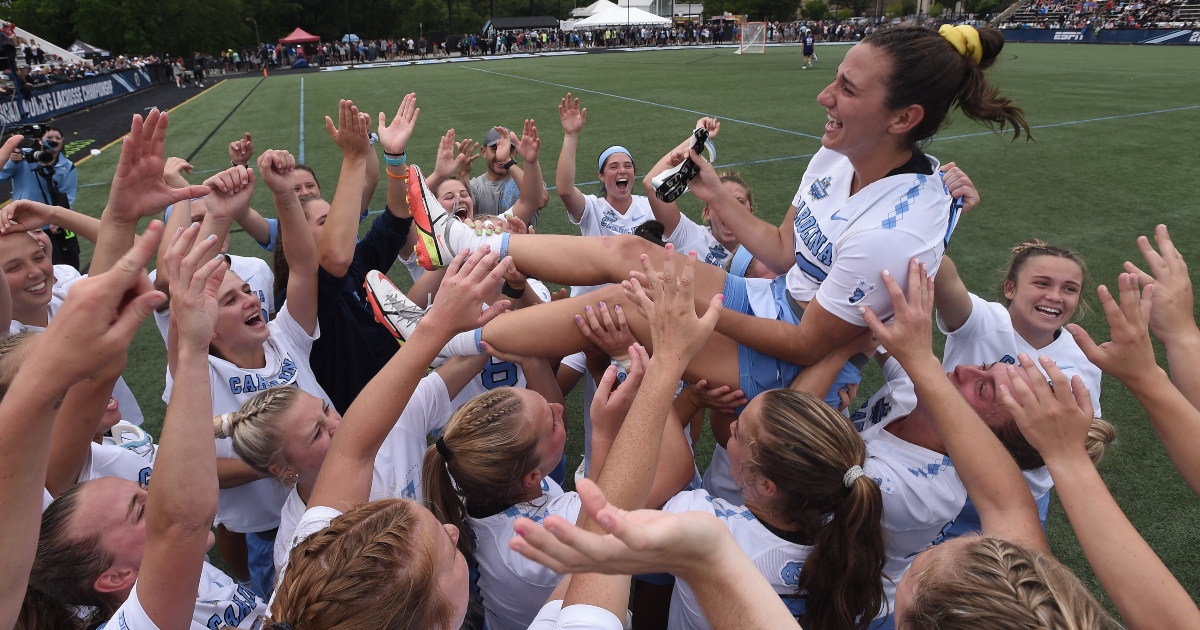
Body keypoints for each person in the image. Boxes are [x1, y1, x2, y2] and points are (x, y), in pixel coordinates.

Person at [406, 25, 1030, 410]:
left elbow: (811, 341)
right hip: (772, 299)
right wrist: (716, 194)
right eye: (835, 78)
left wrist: (688, 309)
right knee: (631, 257)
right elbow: (787, 249)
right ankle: (455, 241)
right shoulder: (837, 154)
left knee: (631, 300)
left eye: (847, 89)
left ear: (903, 119)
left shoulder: (895, 231)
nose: (825, 97)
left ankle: (433, 338)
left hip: (795, 357)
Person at [24, 224, 269, 629]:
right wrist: (120, 222)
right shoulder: (51, 486)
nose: (158, 498)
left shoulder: (123, 444)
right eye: (140, 509)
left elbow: (188, 481)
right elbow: (181, 517)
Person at [858, 260, 1114, 629]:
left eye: (983, 388)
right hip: (974, 484)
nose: (966, 367)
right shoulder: (914, 390)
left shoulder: (905, 489)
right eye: (1041, 282)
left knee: (960, 571)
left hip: (852, 595)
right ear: (1010, 288)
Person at [268, 246, 512, 627]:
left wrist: (442, 327)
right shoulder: (297, 554)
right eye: (447, 555)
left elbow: (352, 448)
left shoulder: (314, 562)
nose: (451, 529)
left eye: (326, 409)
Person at [934, 233, 1102, 535]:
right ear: (1010, 288)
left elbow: (1085, 433)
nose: (1055, 296)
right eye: (1042, 283)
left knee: (998, 579)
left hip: (1022, 498)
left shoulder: (1083, 360)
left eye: (1069, 289)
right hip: (940, 481)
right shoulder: (982, 322)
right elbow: (942, 278)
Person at [0, 127, 80, 269]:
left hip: (57, 222)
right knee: (40, 262)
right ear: (40, 140)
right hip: (28, 223)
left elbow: (68, 194)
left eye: (58, 138)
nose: (54, 141)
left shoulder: (67, 166)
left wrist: (61, 217)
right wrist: (12, 161)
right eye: (50, 138)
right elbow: (2, 176)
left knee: (71, 258)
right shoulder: (23, 156)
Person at [469, 124, 549, 219]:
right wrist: (463, 173)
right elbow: (461, 215)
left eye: (509, 150)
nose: (500, 154)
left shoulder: (528, 181)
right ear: (484, 152)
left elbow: (541, 200)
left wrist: (507, 161)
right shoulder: (474, 186)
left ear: (517, 152)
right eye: (495, 149)